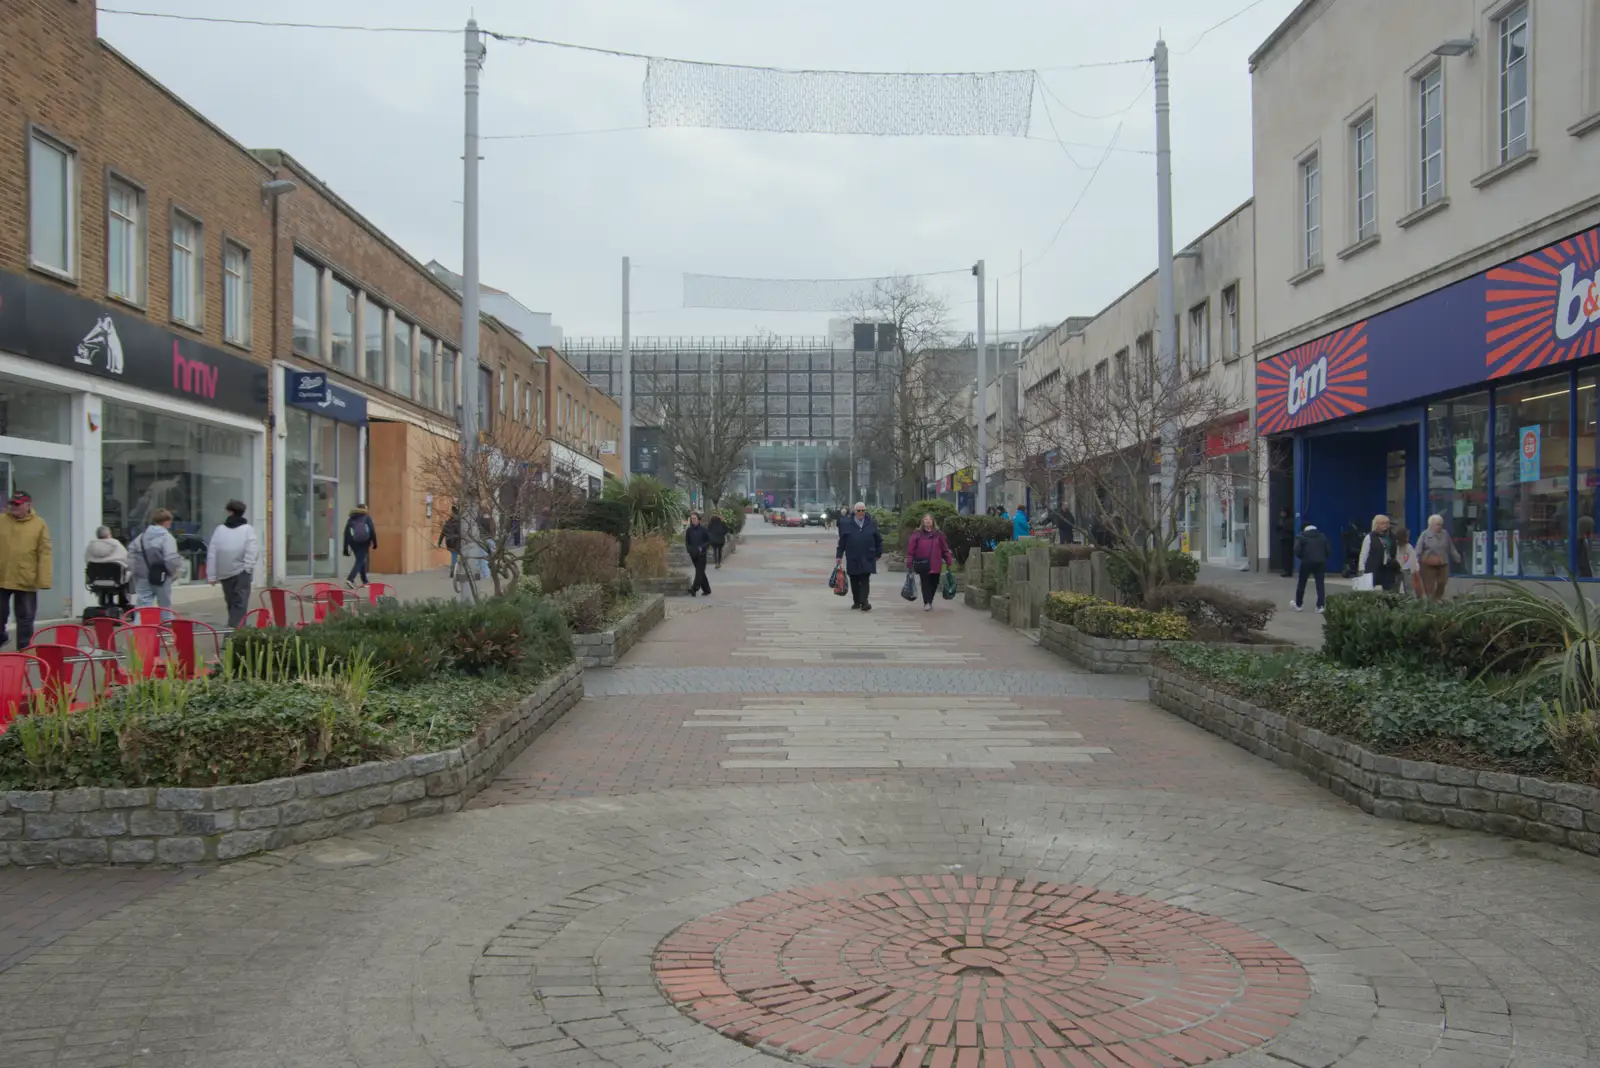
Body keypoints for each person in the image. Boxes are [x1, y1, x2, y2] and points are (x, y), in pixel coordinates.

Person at [0, 493, 51, 649]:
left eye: (18, 504)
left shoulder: (39, 524)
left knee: (25, 617)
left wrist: (44, 579)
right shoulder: (1, 520)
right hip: (2, 576)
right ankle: (1, 637)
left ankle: (24, 649)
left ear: (28, 505)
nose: (13, 507)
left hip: (26, 577)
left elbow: (45, 552)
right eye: (12, 504)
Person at [206, 500, 259, 628]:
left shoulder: (219, 530)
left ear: (229, 512)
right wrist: (248, 568)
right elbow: (252, 550)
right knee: (240, 605)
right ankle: (232, 636)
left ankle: (237, 632)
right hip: (241, 572)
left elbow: (212, 552)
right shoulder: (247, 530)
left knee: (232, 605)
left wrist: (212, 575)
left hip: (224, 573)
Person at [130, 508, 181, 610]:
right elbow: (171, 558)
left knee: (143, 607)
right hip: (162, 576)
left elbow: (131, 555)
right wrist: (173, 572)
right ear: (167, 522)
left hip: (143, 577)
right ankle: (164, 625)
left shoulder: (141, 537)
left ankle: (141, 625)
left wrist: (136, 572)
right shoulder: (167, 537)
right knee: (165, 607)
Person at [835, 501, 882, 611]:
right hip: (853, 556)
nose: (861, 513)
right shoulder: (847, 524)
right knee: (854, 579)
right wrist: (839, 555)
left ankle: (864, 601)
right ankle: (857, 601)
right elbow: (842, 542)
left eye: (863, 510)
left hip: (867, 555)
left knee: (865, 578)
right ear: (854, 512)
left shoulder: (871, 523)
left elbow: (878, 539)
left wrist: (878, 552)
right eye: (859, 511)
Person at [904, 513, 954, 611]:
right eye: (926, 519)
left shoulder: (939, 534)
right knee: (925, 583)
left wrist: (948, 560)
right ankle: (927, 602)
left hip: (936, 564)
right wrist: (910, 561)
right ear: (923, 521)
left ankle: (929, 600)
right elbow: (911, 549)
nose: (928, 521)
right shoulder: (917, 534)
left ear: (933, 522)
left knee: (934, 583)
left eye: (930, 519)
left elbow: (945, 549)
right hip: (922, 563)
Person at [1415, 514, 1462, 601]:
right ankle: (1430, 602)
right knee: (1429, 585)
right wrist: (1416, 561)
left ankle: (1437, 598)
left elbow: (1450, 547)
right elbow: (1418, 549)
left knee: (1442, 582)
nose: (1440, 526)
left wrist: (1457, 557)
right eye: (1437, 524)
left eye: (1441, 524)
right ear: (1431, 525)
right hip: (1428, 563)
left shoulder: (1445, 534)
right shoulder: (1424, 534)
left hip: (1443, 562)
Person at [1290, 522, 1332, 614]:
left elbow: (1296, 551)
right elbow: (1328, 551)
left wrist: (1303, 557)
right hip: (1320, 563)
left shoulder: (1301, 537)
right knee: (1320, 584)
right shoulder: (1322, 537)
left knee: (1302, 583)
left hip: (1306, 563)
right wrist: (1322, 557)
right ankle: (1320, 606)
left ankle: (1298, 604)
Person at [1358, 513, 1401, 592]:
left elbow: (1396, 552)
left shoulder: (1392, 537)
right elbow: (1364, 554)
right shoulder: (1370, 537)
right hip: (1373, 569)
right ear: (1376, 525)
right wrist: (1361, 569)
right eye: (1382, 523)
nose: (1385, 526)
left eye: (1387, 523)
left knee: (1390, 590)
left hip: (1388, 569)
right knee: (1369, 592)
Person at [343, 504, 378, 589]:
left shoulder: (351, 518)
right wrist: (375, 543)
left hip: (353, 543)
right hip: (364, 542)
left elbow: (346, 533)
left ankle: (365, 581)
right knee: (360, 561)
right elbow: (372, 531)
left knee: (361, 560)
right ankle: (350, 579)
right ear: (365, 509)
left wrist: (345, 548)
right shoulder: (367, 518)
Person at [684, 512, 712, 596]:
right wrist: (689, 550)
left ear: (698, 519)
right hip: (693, 554)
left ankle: (694, 588)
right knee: (701, 572)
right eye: (692, 519)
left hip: (701, 554)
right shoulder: (689, 530)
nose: (693, 520)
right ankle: (707, 589)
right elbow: (687, 541)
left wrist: (702, 548)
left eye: (694, 518)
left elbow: (708, 541)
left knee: (699, 572)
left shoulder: (703, 530)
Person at [1393, 525, 1421, 598]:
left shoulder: (1408, 547)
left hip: (1404, 570)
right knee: (1402, 587)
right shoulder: (1397, 546)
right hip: (1400, 570)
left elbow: (1413, 558)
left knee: (1406, 588)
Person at [438, 506, 462, 577]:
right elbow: (461, 532)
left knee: (454, 555)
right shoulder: (458, 522)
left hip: (449, 542)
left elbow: (442, 533)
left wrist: (439, 542)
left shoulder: (448, 522)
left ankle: (454, 570)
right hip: (456, 541)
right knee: (456, 555)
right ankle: (454, 571)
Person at [1275, 509, 1296, 577]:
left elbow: (1289, 529)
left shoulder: (1290, 520)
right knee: (1284, 556)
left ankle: (1288, 571)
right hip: (1283, 539)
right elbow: (1278, 528)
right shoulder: (1282, 520)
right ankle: (1286, 570)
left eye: (1283, 513)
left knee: (1287, 556)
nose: (1282, 514)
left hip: (1288, 540)